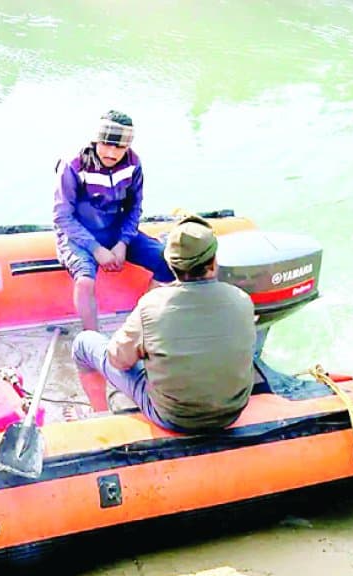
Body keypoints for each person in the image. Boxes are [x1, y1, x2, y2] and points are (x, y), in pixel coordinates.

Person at [71, 215, 257, 431]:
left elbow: (118, 360)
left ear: (171, 264)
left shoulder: (152, 305)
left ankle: (100, 415)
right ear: (213, 263)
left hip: (173, 417)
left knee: (84, 343)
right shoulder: (242, 299)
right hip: (232, 412)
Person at [53, 110, 174, 333]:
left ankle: (139, 324)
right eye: (106, 144)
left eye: (119, 147)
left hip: (117, 229)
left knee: (167, 261)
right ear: (96, 140)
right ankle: (93, 339)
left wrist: (123, 243)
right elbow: (62, 216)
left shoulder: (133, 164)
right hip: (79, 234)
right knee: (85, 281)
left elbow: (134, 208)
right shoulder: (73, 165)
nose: (112, 152)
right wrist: (96, 249)